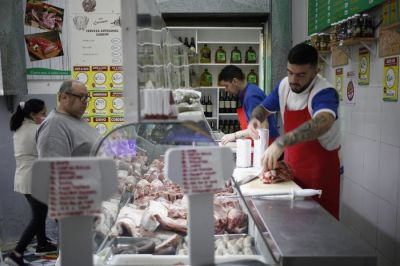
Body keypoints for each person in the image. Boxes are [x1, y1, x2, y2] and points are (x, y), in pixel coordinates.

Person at [248, 43, 341, 219]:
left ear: (315, 71)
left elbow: (324, 121)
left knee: (319, 227)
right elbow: (263, 108)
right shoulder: (284, 86)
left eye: (300, 75)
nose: (293, 80)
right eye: (290, 72)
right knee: (291, 224)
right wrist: (255, 119)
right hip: (290, 172)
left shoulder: (325, 92)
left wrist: (282, 142)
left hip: (319, 175)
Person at [5, 99, 57, 266]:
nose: (45, 116)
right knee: (38, 218)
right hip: (35, 178)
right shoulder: (37, 130)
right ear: (32, 114)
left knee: (39, 214)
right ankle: (16, 254)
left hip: (24, 177)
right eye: (43, 114)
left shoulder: (20, 128)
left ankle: (42, 244)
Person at [36, 79, 99, 158]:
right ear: (64, 97)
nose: (85, 101)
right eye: (81, 97)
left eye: (86, 97)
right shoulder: (54, 125)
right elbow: (54, 167)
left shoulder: (76, 119)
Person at [218, 65, 279, 145]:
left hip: (267, 146)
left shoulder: (251, 96)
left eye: (226, 86)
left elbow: (262, 127)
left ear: (235, 81)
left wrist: (234, 135)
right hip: (261, 143)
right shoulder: (248, 91)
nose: (225, 90)